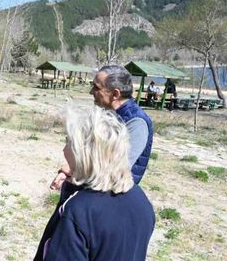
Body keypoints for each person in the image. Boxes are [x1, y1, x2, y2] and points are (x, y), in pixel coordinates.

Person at [35, 106, 155, 261]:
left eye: (68, 142)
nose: (64, 149)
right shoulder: (141, 200)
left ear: (84, 153)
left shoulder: (79, 211)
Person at [51, 65, 154, 195]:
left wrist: (72, 171)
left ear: (115, 94)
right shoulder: (105, 114)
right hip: (93, 190)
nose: (91, 92)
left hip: (110, 197)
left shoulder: (136, 123)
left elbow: (115, 169)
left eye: (96, 87)